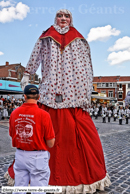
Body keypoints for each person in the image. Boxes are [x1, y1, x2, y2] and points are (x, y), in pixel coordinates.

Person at [5, 9, 111, 193]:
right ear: (55, 18)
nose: (63, 19)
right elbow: (35, 54)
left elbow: (86, 66)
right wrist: (28, 73)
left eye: (66, 16)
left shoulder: (79, 39)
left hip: (72, 94)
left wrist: (85, 90)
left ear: (71, 19)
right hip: (49, 91)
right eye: (60, 16)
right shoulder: (46, 37)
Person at [9, 84, 55, 193]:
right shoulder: (44, 115)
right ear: (39, 97)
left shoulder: (14, 113)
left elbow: (12, 134)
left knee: (19, 188)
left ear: (24, 96)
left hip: (20, 155)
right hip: (38, 156)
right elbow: (51, 143)